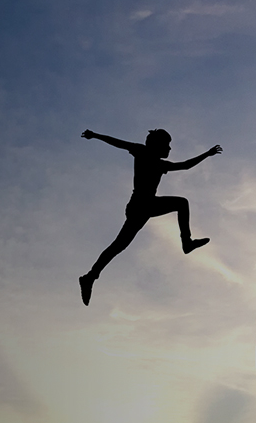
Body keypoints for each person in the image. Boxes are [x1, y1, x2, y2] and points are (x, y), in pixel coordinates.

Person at [78, 128, 221, 305]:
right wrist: (95, 135)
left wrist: (207, 154)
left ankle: (187, 242)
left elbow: (185, 165)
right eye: (167, 145)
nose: (169, 149)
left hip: (149, 205)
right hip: (139, 205)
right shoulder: (141, 151)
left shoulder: (162, 165)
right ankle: (90, 277)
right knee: (119, 245)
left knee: (121, 244)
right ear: (156, 144)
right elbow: (117, 142)